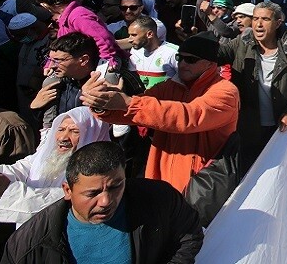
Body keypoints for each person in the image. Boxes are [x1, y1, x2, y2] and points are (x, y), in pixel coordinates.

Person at [83, 32, 239, 224]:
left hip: (201, 185)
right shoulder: (170, 87)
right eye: (180, 58)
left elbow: (189, 116)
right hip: (162, 179)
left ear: (209, 63)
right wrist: (102, 102)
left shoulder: (225, 92)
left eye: (191, 60)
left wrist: (127, 103)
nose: (182, 64)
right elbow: (137, 109)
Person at [1, 141, 204, 263]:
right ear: (67, 190)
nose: (106, 201)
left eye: (116, 187)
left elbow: (189, 234)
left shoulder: (158, 199)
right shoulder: (29, 245)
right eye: (93, 193)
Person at [0, 108, 110, 225]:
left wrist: (7, 188)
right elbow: (4, 174)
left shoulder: (100, 171)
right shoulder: (42, 159)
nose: (63, 138)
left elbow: (63, 201)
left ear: (91, 136)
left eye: (74, 131)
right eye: (61, 129)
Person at [218, 2, 287, 172]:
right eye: (255, 18)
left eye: (265, 19)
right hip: (248, 128)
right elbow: (217, 54)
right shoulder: (242, 44)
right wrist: (196, 45)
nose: (258, 24)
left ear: (278, 22)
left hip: (279, 130)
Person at [30, 0, 125, 66]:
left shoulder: (78, 16)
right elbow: (60, 48)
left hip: (101, 62)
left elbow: (103, 38)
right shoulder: (65, 20)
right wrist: (50, 65)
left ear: (45, 4)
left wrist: (107, 62)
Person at [127, 16, 178, 88]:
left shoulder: (173, 52)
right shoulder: (135, 52)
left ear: (150, 34)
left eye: (134, 35)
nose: (129, 40)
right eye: (129, 35)